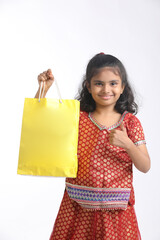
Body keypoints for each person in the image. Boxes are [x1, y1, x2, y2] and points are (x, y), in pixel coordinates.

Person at [35, 53, 151, 240]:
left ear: (122, 87)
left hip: (116, 213)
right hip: (77, 207)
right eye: (99, 83)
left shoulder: (130, 123)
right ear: (88, 86)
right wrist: (43, 90)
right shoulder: (76, 118)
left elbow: (145, 166)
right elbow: (42, 127)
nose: (106, 89)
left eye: (113, 83)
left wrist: (127, 144)